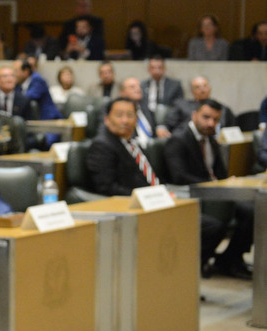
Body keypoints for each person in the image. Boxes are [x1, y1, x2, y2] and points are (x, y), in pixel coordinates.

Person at [86, 98, 226, 273]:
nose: (125, 120)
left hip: (156, 204)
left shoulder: (131, 144)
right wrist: (146, 198)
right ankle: (179, 271)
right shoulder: (102, 145)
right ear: (107, 119)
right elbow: (106, 188)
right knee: (209, 227)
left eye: (130, 115)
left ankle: (183, 272)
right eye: (119, 115)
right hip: (136, 208)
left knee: (211, 225)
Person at [165, 100, 254, 280]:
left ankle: (230, 259)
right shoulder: (179, 139)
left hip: (214, 193)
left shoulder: (211, 140)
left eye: (215, 119)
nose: (210, 123)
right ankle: (200, 261)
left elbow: (219, 174)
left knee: (252, 211)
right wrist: (212, 185)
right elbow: (179, 176)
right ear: (194, 115)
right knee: (216, 223)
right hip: (190, 193)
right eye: (206, 117)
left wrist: (226, 183)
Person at [164, 76, 235, 134]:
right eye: (197, 87)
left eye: (205, 86)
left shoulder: (222, 108)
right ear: (191, 91)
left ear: (210, 88)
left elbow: (233, 129)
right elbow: (169, 125)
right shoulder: (181, 105)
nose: (202, 90)